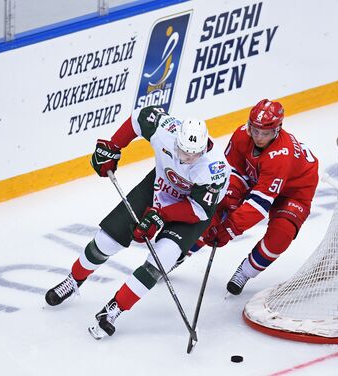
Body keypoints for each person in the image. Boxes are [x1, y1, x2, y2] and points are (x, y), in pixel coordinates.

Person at [45, 106, 230, 339]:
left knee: (159, 262)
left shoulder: (215, 170)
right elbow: (138, 118)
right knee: (106, 241)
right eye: (182, 150)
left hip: (191, 212)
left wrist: (160, 215)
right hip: (157, 189)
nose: (185, 158)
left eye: (192, 155)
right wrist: (113, 147)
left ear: (203, 149)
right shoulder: (166, 130)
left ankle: (114, 309)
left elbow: (199, 210)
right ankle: (73, 281)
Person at [194, 98, 319, 295]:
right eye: (255, 130)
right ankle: (179, 253)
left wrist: (230, 228)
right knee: (217, 205)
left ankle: (244, 273)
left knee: (281, 235)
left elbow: (259, 204)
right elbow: (231, 170)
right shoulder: (241, 135)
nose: (259, 137)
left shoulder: (281, 156)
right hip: (257, 177)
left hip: (294, 191)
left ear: (277, 130)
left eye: (266, 133)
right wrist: (231, 196)